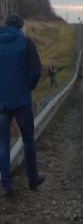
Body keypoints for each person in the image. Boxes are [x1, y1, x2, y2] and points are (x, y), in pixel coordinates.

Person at [0, 13, 45, 197]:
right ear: (20, 26)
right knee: (27, 139)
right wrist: (29, 85)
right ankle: (32, 178)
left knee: (2, 143)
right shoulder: (26, 42)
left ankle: (7, 185)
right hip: (22, 100)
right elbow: (35, 70)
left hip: (1, 102)